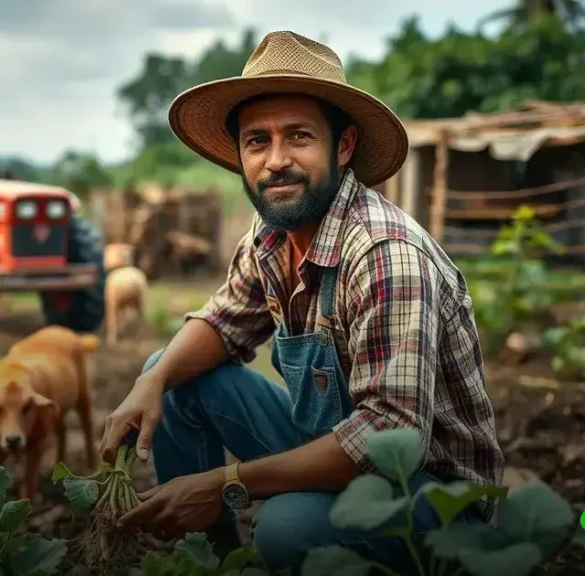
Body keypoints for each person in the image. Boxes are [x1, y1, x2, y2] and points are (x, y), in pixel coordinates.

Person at [99, 30, 505, 573]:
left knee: (286, 526)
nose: (276, 161)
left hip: (430, 494)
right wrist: (148, 383)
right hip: (332, 446)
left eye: (299, 137)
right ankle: (213, 560)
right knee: (169, 372)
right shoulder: (270, 236)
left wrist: (227, 484)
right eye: (256, 141)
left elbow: (389, 438)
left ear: (343, 146)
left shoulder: (386, 255)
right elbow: (223, 322)